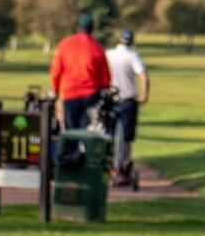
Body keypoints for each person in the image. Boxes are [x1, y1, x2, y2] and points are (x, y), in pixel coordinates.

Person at [49, 13, 111, 166]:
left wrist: (54, 92)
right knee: (87, 129)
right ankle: (87, 161)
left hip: (70, 94)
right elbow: (105, 79)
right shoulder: (97, 48)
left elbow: (56, 71)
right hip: (91, 95)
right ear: (92, 29)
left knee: (71, 129)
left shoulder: (64, 45)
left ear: (77, 27)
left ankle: (71, 160)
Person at [106, 30, 150, 186]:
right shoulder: (133, 55)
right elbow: (144, 77)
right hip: (128, 100)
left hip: (110, 99)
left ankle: (110, 166)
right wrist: (144, 96)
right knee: (127, 138)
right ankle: (123, 170)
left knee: (109, 133)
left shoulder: (108, 54)